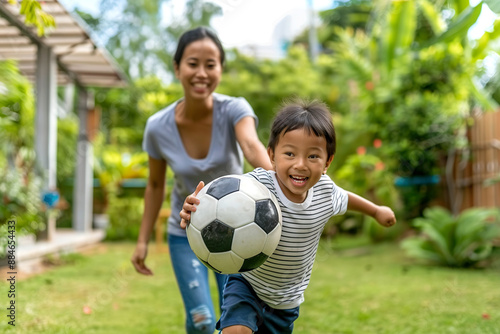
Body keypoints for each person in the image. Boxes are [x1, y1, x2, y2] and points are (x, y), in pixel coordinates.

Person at [180, 98, 397, 334]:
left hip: (286, 301)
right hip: (247, 284)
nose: (300, 164)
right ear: (272, 155)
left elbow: (346, 198)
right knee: (236, 330)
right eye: (290, 154)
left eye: (313, 156)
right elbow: (219, 199)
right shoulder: (257, 185)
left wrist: (376, 211)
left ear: (327, 162)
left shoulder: (325, 191)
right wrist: (192, 208)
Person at [130, 26, 273, 334]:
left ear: (221, 68)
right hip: (185, 233)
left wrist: (282, 187)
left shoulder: (235, 108)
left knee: (234, 319)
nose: (202, 73)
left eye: (211, 64)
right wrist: (142, 241)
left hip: (240, 231)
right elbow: (155, 185)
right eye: (193, 63)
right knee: (202, 320)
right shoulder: (157, 127)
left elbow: (251, 146)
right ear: (177, 67)